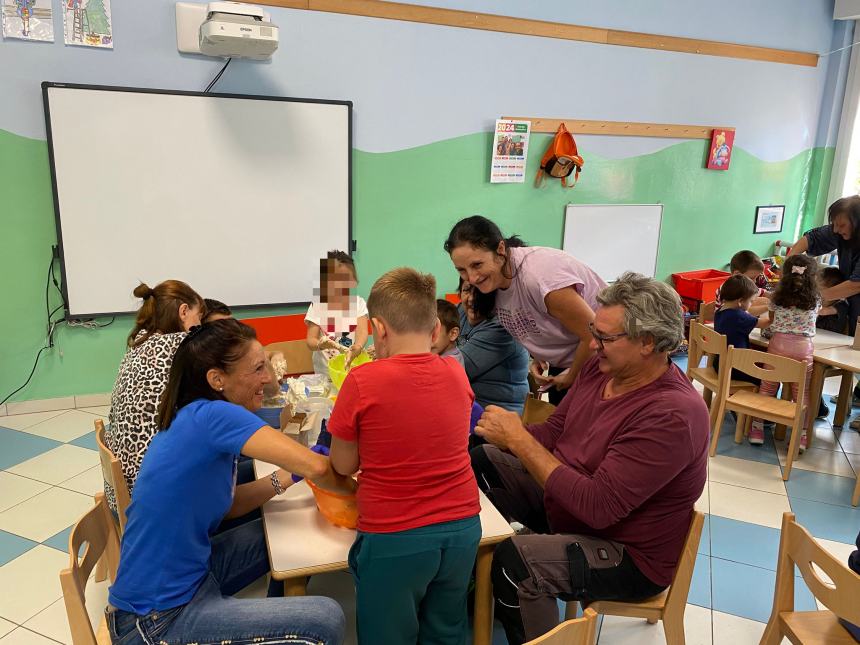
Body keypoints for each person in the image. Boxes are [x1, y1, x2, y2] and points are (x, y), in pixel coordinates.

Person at [470, 273, 708, 644]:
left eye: (605, 338)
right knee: (483, 456)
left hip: (629, 555)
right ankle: (496, 595)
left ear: (647, 343)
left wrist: (518, 439)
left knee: (517, 562)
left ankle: (517, 595)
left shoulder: (671, 415)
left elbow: (598, 507)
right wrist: (501, 435)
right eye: (594, 331)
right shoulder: (604, 368)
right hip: (572, 508)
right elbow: (555, 433)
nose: (592, 345)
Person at [106, 319, 350, 645]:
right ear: (216, 379)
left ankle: (271, 628)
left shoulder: (193, 414)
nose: (269, 377)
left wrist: (289, 476)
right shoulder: (216, 416)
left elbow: (230, 505)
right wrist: (361, 490)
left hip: (181, 581)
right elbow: (320, 468)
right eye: (258, 368)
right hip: (156, 619)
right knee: (326, 618)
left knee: (280, 534)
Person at [328, 268, 481, 645]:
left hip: (396, 535)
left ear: (378, 329)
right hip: (462, 528)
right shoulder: (455, 372)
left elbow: (344, 465)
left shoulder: (363, 381)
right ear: (434, 329)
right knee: (446, 632)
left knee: (388, 636)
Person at [445, 216, 606, 405]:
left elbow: (594, 333)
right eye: (461, 270)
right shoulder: (494, 284)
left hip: (602, 362)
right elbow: (529, 315)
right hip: (566, 368)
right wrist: (540, 354)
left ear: (501, 250)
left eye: (477, 265)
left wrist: (572, 375)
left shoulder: (538, 278)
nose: (471, 278)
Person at [105, 280, 204, 514]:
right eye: (198, 316)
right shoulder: (180, 344)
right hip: (150, 492)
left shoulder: (140, 341)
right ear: (183, 311)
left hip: (123, 487)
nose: (200, 325)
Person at [749, 254, 820, 450]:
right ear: (813, 277)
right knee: (802, 393)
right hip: (803, 348)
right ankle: (801, 435)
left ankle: (757, 428)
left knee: (768, 387)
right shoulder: (815, 299)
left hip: (778, 345)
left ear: (783, 275)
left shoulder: (777, 298)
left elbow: (772, 319)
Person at [457, 278, 529, 414]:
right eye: (466, 290)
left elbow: (457, 371)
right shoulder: (460, 311)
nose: (471, 299)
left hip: (498, 416)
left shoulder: (502, 326)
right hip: (467, 408)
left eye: (479, 292)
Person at [305, 251, 369, 375]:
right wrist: (320, 344)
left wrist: (359, 346)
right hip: (325, 372)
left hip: (351, 368)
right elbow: (310, 340)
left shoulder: (358, 303)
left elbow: (363, 331)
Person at [713, 274, 770, 385]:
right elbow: (766, 323)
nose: (751, 304)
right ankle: (757, 401)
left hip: (720, 363)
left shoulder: (720, 311)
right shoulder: (739, 316)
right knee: (770, 380)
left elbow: (749, 316)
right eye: (751, 301)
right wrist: (772, 310)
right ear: (740, 301)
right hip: (736, 367)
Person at [714, 250, 770, 315]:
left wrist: (775, 296)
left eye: (757, 277)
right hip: (725, 322)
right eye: (752, 278)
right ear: (737, 274)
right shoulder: (727, 289)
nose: (755, 281)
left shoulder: (745, 286)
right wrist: (768, 307)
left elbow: (762, 292)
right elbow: (740, 314)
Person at [431, 298, 464, 364]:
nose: (428, 340)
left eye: (433, 333)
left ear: (453, 333)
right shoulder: (452, 352)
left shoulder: (448, 364)